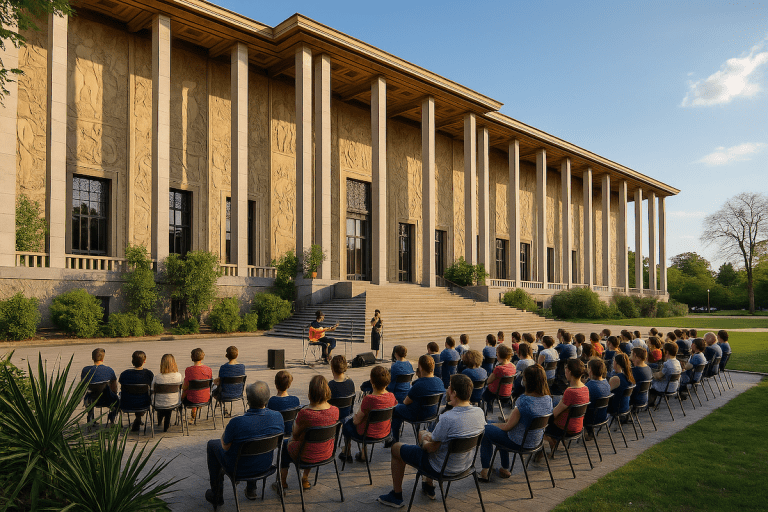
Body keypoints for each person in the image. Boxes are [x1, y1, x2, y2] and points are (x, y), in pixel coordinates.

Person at [378, 374, 486, 508]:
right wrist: (427, 437)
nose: (447, 389)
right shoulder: (479, 413)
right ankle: (428, 485)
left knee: (396, 448)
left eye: (449, 387)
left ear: (454, 393)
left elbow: (430, 448)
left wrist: (424, 441)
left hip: (442, 467)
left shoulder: (447, 418)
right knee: (426, 433)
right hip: (466, 465)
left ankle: (396, 495)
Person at [205, 381, 284, 506]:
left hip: (239, 469)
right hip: (265, 465)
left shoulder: (237, 422)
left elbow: (225, 446)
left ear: (248, 400)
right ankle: (252, 489)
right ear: (267, 398)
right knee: (255, 440)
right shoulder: (278, 417)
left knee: (212, 444)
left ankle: (217, 495)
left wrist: (225, 434)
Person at [478, 364, 553, 480]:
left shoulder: (524, 401)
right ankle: (504, 467)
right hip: (535, 441)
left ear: (528, 381)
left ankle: (485, 471)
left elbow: (507, 426)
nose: (522, 380)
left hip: (519, 442)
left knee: (485, 429)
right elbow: (513, 421)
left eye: (523, 378)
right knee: (492, 424)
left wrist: (489, 425)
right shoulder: (548, 399)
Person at [275, 375, 339, 493]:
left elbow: (294, 434)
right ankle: (305, 478)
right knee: (309, 442)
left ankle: (282, 481)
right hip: (326, 452)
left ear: (310, 393)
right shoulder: (335, 410)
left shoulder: (305, 413)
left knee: (285, 445)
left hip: (305, 454)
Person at [341, 365, 396, 463]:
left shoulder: (369, 399)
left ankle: (347, 452)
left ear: (372, 382)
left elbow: (357, 421)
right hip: (384, 431)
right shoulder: (391, 396)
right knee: (366, 421)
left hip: (367, 434)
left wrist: (358, 411)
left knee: (346, 422)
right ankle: (362, 453)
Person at [387, 355, 445, 445]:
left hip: (417, 414)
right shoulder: (440, 382)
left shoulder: (418, 385)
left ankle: (395, 439)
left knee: (396, 409)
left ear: (420, 367)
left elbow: (406, 402)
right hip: (433, 413)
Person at [541, 359, 589, 455]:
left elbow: (554, 414)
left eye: (565, 369)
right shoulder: (585, 388)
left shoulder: (570, 391)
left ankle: (546, 445)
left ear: (569, 372)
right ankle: (552, 442)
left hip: (565, 429)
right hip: (578, 427)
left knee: (537, 425)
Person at [81, 348, 119, 424]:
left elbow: (83, 386)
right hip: (107, 399)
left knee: (89, 395)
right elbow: (114, 387)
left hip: (92, 400)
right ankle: (112, 416)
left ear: (92, 358)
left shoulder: (85, 370)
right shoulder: (109, 370)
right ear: (103, 358)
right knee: (118, 401)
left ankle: (91, 416)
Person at [118, 350, 154, 431]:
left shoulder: (124, 374)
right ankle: (138, 417)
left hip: (127, 403)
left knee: (133, 394)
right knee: (142, 394)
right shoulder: (148, 374)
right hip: (143, 403)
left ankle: (138, 418)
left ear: (132, 361)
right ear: (144, 361)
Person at [152, 354, 184, 432]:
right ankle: (167, 419)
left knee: (162, 399)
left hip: (158, 403)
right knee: (169, 399)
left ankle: (160, 418)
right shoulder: (178, 376)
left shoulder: (157, 377)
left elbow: (152, 389)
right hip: (174, 402)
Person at [482, 344, 516, 415]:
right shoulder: (513, 366)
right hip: (508, 392)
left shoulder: (498, 369)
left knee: (485, 393)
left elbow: (488, 381)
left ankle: (488, 411)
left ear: (499, 355)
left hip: (497, 392)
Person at [583, 359, 610, 441]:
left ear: (590, 370)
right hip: (603, 416)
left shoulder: (589, 387)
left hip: (591, 419)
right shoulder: (606, 383)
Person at [212, 346, 246, 412]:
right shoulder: (242, 367)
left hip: (225, 393)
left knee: (214, 387)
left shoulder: (223, 367)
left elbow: (219, 382)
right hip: (238, 393)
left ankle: (222, 404)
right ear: (237, 355)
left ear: (226, 356)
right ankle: (222, 404)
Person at [182, 348, 213, 421]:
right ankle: (195, 410)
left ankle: (189, 411)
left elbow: (185, 387)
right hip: (205, 398)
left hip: (192, 399)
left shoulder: (189, 370)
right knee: (198, 389)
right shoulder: (208, 369)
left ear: (192, 357)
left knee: (188, 391)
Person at [268, 370, 301, 435]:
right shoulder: (295, 400)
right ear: (289, 385)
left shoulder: (272, 401)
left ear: (276, 384)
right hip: (290, 432)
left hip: (276, 433)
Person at [648, 342, 682, 406]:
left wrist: (653, 374)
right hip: (675, 387)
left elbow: (659, 376)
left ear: (667, 352)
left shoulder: (667, 364)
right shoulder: (677, 362)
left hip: (665, 388)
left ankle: (650, 403)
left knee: (651, 382)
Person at [329, 355, 356, 420]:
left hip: (333, 418)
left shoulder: (330, 385)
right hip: (346, 416)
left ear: (332, 368)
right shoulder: (350, 383)